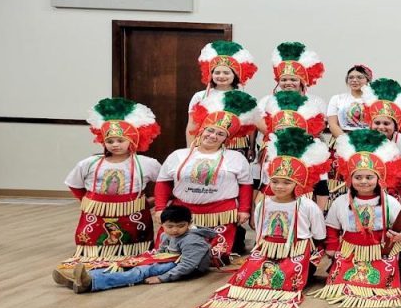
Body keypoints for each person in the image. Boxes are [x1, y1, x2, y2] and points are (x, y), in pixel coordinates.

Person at [192, 128, 330, 308]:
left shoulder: (307, 205)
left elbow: (319, 235)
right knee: (247, 277)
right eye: (275, 182)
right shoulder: (263, 203)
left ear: (297, 184)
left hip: (297, 249)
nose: (279, 186)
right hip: (267, 248)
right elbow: (260, 231)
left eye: (286, 183)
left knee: (289, 277)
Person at [58, 98, 162, 272]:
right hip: (95, 215)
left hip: (133, 216)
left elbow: (163, 185)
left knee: (134, 254)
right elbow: (75, 184)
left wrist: (152, 202)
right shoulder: (89, 163)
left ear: (132, 141)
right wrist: (88, 202)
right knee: (92, 252)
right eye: (110, 141)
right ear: (103, 142)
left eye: (120, 140)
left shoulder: (146, 163)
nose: (115, 145)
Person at [157, 90, 259, 266]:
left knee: (215, 258)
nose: (213, 136)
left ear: (226, 139)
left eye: (220, 134)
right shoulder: (178, 155)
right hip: (183, 214)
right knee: (169, 256)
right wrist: (160, 207)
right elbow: (163, 182)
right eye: (210, 131)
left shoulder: (236, 158)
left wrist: (243, 209)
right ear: (201, 130)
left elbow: (245, 185)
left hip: (220, 214)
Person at [313, 129, 401, 308]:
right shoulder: (341, 202)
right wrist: (333, 247)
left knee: (382, 284)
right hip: (350, 251)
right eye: (358, 177)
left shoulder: (390, 202)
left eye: (369, 177)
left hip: (381, 251)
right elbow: (332, 228)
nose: (363, 181)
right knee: (339, 284)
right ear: (350, 179)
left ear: (379, 178)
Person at [55, 205, 214, 294]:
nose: (175, 230)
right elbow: (160, 252)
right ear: (162, 225)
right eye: (170, 226)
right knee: (130, 263)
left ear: (189, 223)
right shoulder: (166, 235)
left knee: (142, 271)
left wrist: (162, 278)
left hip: (185, 267)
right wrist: (143, 259)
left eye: (181, 226)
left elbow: (188, 265)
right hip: (169, 260)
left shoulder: (192, 240)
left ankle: (91, 282)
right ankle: (84, 278)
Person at [258, 90, 330, 208]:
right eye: (281, 130)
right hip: (273, 204)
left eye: (291, 130)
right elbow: (264, 184)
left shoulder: (314, 152)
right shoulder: (270, 150)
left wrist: (319, 214)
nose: (286, 134)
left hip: (302, 205)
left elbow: (322, 190)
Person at [186, 41, 258, 155]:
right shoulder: (200, 96)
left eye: (226, 73)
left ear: (234, 75)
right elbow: (192, 125)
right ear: (211, 74)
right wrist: (189, 150)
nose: (221, 76)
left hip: (236, 147)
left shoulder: (245, 97)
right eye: (217, 72)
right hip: (206, 145)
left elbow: (252, 126)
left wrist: (252, 148)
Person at [361, 77, 401, 191]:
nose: (381, 127)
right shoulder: (362, 141)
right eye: (377, 123)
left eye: (386, 123)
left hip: (399, 191)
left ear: (395, 126)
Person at [327, 65, 373, 138]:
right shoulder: (337, 99)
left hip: (369, 141)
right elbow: (332, 124)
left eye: (359, 77)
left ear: (368, 80)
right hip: (342, 141)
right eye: (351, 77)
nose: (354, 80)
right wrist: (346, 142)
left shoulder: (375, 100)